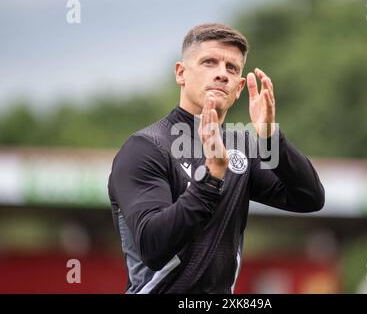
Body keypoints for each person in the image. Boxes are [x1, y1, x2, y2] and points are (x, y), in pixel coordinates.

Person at [108, 23, 325, 294]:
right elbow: (153, 246)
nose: (222, 74)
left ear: (239, 87)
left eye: (231, 68)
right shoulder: (146, 148)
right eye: (209, 62)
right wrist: (211, 178)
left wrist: (270, 137)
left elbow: (309, 197)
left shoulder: (241, 147)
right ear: (181, 73)